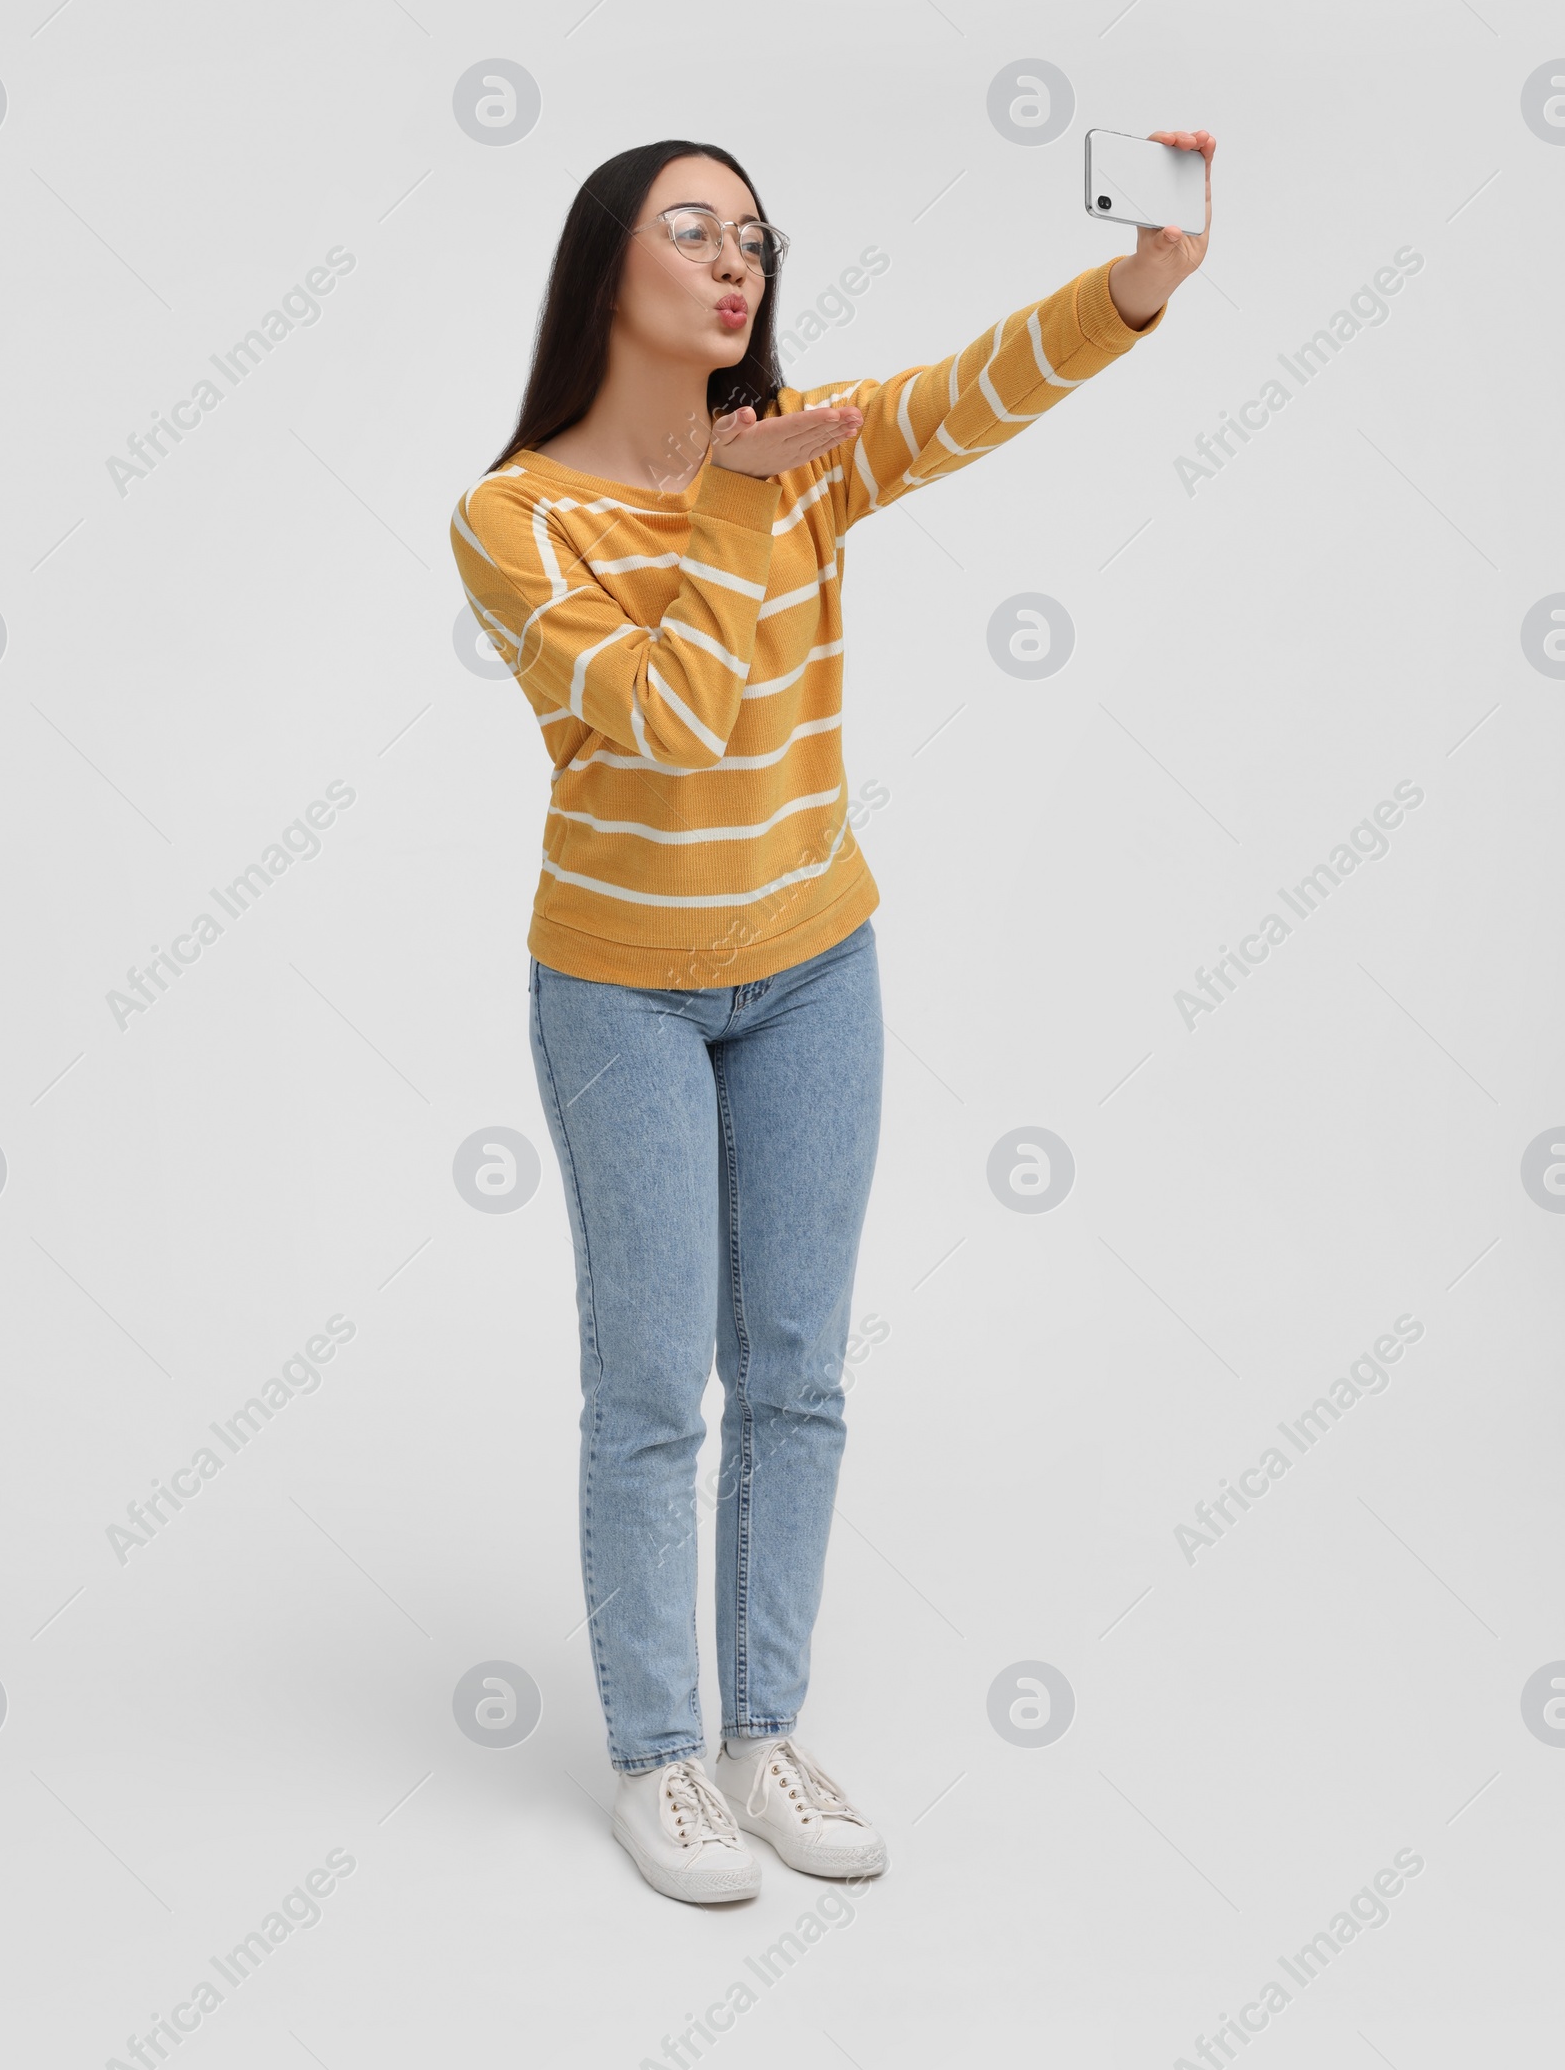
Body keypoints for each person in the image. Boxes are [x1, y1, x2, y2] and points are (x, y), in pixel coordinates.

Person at [450, 131, 1214, 1903]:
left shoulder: (801, 459)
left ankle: (763, 1731)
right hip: (622, 990)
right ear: (604, 273)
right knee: (650, 1390)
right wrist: (731, 495)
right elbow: (667, 720)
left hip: (817, 968)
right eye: (694, 232)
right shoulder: (517, 515)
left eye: (758, 240)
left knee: (794, 1374)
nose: (739, 266)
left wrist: (1133, 289)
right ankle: (660, 1754)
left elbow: (966, 395)